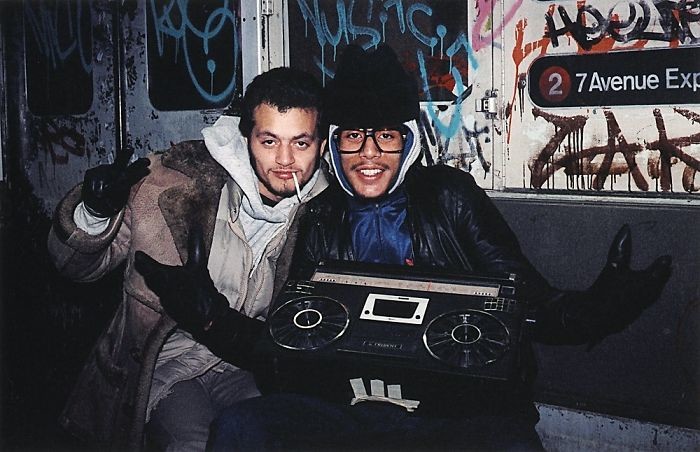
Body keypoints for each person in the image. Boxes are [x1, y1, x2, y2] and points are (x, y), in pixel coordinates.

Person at [204, 45, 673, 450]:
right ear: (334, 144)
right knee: (240, 427)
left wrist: (593, 311)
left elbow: (525, 298)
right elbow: (292, 336)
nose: (369, 153)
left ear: (407, 141)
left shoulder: (450, 197)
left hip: (456, 408)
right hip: (347, 406)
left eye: (386, 136)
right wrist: (204, 312)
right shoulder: (320, 215)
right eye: (354, 136)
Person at [47, 67, 328, 451]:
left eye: (301, 143)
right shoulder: (170, 185)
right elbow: (75, 269)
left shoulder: (323, 214)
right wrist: (93, 214)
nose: (284, 159)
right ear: (246, 138)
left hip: (244, 366)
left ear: (321, 147)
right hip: (163, 367)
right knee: (193, 443)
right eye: (268, 141)